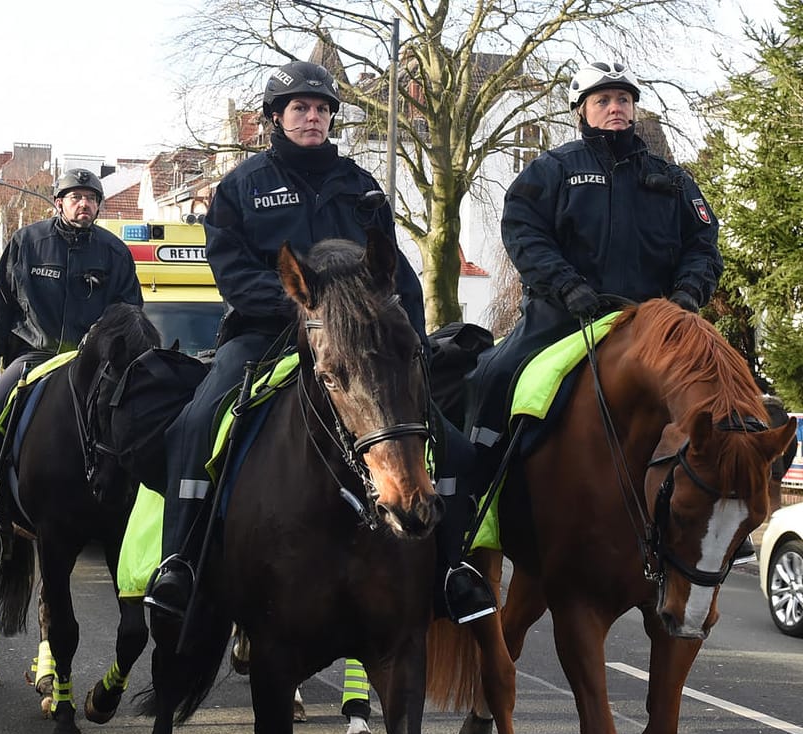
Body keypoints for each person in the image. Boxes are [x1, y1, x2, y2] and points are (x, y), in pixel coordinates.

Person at [142, 61, 498, 621]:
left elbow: (396, 271)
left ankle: (452, 570)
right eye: (300, 108)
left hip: (357, 344)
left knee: (450, 440)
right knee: (196, 423)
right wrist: (301, 305)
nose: (312, 117)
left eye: (322, 109)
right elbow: (230, 267)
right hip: (266, 332)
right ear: (275, 117)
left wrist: (414, 338)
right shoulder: (240, 186)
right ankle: (179, 564)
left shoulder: (360, 185)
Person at [466, 58, 722, 458]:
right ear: (581, 111)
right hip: (561, 318)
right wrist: (568, 286)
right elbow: (524, 232)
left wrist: (688, 294)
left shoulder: (674, 181)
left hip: (651, 323)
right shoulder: (551, 170)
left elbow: (703, 244)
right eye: (602, 100)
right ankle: (471, 482)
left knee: (724, 384)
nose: (615, 107)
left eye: (623, 99)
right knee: (492, 375)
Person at [0, 167, 143, 562]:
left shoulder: (115, 253)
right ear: (59, 202)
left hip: (93, 364)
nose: (85, 204)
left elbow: (131, 316)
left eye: (92, 198)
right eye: (76, 197)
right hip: (34, 357)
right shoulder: (25, 243)